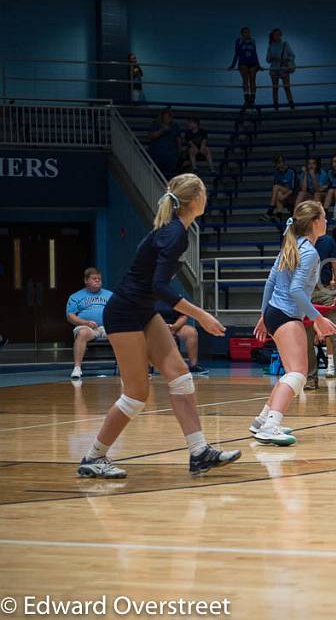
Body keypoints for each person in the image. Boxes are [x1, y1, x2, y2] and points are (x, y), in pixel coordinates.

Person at [78, 174, 237, 478]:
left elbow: (156, 289)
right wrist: (200, 314)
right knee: (137, 394)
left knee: (181, 378)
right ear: (194, 200)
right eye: (204, 191)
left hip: (143, 311)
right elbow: (161, 287)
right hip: (124, 313)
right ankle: (93, 457)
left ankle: (199, 452)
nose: (207, 195)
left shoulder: (175, 230)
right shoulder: (174, 233)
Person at [250, 202, 336, 446]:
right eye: (324, 217)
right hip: (287, 314)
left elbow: (270, 282)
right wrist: (319, 319)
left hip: (275, 313)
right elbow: (296, 290)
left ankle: (262, 421)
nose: (327, 221)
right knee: (298, 374)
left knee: (292, 373)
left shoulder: (290, 246)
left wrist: (263, 314)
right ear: (314, 222)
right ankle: (271, 426)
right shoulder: (310, 252)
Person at [303, 229, 336, 389]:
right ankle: (310, 378)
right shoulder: (298, 240)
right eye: (323, 218)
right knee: (306, 340)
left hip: (326, 291)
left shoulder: (327, 241)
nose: (325, 221)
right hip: (303, 293)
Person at [66, 267, 113, 379]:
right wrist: (85, 322)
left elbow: (119, 311)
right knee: (82, 333)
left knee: (120, 334)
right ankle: (77, 368)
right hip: (87, 328)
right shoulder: (76, 296)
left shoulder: (110, 295)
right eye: (94, 278)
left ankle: (125, 368)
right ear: (86, 280)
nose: (97, 280)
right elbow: (70, 316)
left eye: (99, 278)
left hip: (107, 327)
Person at [155, 301, 208, 377]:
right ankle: (147, 367)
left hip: (175, 327)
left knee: (191, 332)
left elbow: (183, 317)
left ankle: (193, 365)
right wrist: (161, 327)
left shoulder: (174, 297)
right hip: (155, 327)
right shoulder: (147, 297)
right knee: (143, 332)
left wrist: (174, 327)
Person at [228, 27, 260, 107]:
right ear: (242, 33)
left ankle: (252, 99)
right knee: (245, 79)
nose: (247, 34)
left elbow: (255, 53)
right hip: (243, 63)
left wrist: (258, 65)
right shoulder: (239, 41)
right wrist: (233, 65)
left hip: (252, 63)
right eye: (245, 32)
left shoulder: (252, 41)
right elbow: (236, 54)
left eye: (248, 32)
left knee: (252, 80)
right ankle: (246, 98)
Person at [147, 108, 182, 176]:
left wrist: (179, 152)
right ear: (162, 117)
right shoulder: (156, 124)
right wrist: (162, 130)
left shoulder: (175, 126)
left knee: (169, 176)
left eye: (169, 116)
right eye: (166, 116)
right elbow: (151, 136)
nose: (167, 118)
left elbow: (178, 140)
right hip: (156, 156)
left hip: (171, 157)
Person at [266, 28, 295, 110]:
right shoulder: (270, 45)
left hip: (283, 68)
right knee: (275, 88)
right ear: (273, 36)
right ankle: (276, 106)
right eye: (275, 34)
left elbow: (292, 55)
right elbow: (267, 59)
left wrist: (286, 60)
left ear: (281, 35)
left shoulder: (285, 44)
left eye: (278, 34)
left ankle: (291, 105)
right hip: (274, 69)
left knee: (287, 87)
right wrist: (271, 58)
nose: (277, 36)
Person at [263, 154, 297, 222]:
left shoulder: (291, 171)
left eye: (279, 162)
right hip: (282, 194)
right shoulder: (277, 173)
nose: (278, 165)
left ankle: (270, 210)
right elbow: (275, 187)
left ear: (283, 162)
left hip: (293, 195)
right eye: (276, 163)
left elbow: (293, 188)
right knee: (277, 192)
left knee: (276, 188)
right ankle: (279, 215)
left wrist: (284, 196)